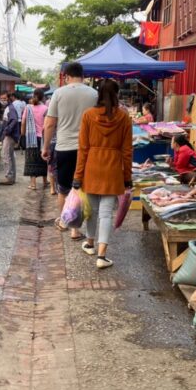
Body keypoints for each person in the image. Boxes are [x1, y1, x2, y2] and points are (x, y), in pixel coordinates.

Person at [72, 79, 133, 270]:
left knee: (92, 210)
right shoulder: (124, 118)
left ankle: (89, 243)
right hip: (113, 169)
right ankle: (102, 255)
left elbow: (82, 148)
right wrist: (127, 177)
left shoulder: (88, 115)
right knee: (106, 214)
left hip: (91, 166)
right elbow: (127, 151)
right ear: (117, 94)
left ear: (98, 94)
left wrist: (78, 175)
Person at [42, 61, 98, 240]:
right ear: (83, 76)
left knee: (64, 189)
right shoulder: (94, 93)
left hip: (64, 147)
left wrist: (45, 147)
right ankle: (77, 229)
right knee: (84, 188)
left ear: (66, 76)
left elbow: (50, 123)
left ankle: (66, 222)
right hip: (88, 148)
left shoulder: (58, 93)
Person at [22, 88, 49, 190]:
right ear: (43, 97)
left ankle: (33, 184)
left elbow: (23, 122)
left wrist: (23, 134)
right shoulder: (46, 109)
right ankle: (45, 181)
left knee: (31, 160)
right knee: (43, 159)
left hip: (30, 138)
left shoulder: (28, 108)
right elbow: (47, 124)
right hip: (42, 137)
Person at [0, 92, 20, 185]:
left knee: (6, 155)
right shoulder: (8, 108)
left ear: (8, 98)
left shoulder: (10, 108)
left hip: (10, 136)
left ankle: (9, 177)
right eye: (1, 99)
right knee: (10, 156)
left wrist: (7, 131)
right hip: (10, 135)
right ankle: (12, 177)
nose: (2, 100)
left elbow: (14, 120)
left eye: (4, 98)